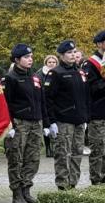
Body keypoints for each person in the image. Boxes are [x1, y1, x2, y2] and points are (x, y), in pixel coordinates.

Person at [2, 44, 49, 203]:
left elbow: (42, 101)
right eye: (26, 57)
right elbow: (5, 104)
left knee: (33, 158)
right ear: (17, 59)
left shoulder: (35, 77)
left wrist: (46, 123)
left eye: (31, 57)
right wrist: (9, 126)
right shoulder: (11, 78)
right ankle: (16, 193)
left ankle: (26, 189)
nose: (30, 59)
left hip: (36, 122)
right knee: (16, 158)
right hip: (19, 123)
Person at [44, 39, 89, 190]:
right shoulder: (56, 73)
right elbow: (48, 99)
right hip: (63, 121)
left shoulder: (79, 72)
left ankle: (73, 183)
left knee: (77, 153)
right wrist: (51, 122)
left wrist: (85, 116)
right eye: (69, 53)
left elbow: (84, 96)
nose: (72, 55)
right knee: (63, 154)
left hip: (79, 120)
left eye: (74, 52)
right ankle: (63, 185)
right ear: (62, 56)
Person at [83, 32, 105, 185]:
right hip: (97, 113)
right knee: (97, 149)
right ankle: (96, 181)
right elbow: (92, 89)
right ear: (99, 44)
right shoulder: (90, 64)